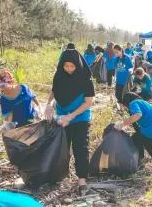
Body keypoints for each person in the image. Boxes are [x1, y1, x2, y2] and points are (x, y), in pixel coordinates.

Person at [44, 43, 95, 195]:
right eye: (66, 66)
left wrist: (71, 116)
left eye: (72, 66)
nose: (69, 69)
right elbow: (54, 92)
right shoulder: (59, 76)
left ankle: (82, 179)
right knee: (61, 148)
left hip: (80, 118)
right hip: (61, 117)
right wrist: (49, 104)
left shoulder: (86, 78)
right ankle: (59, 175)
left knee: (80, 147)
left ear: (78, 65)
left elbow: (88, 102)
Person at [114, 92, 152, 171]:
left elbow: (138, 115)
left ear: (126, 102)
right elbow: (139, 130)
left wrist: (123, 123)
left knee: (135, 139)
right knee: (148, 142)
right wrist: (126, 125)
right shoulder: (145, 103)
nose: (126, 109)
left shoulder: (133, 103)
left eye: (125, 106)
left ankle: (139, 161)